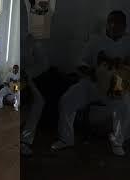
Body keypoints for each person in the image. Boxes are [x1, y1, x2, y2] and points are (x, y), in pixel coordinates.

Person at [51, 11, 130, 156]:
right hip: (92, 84)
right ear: (107, 23)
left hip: (116, 87)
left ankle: (118, 141)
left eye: (118, 23)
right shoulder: (96, 41)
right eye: (111, 22)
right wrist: (90, 72)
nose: (113, 26)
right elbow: (79, 61)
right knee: (67, 100)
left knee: (125, 104)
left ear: (124, 26)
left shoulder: (127, 43)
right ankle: (66, 139)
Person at [21, 34, 48, 156]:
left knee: (38, 102)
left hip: (27, 80)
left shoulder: (33, 41)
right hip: (14, 80)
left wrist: (27, 74)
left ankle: (25, 141)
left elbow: (43, 64)